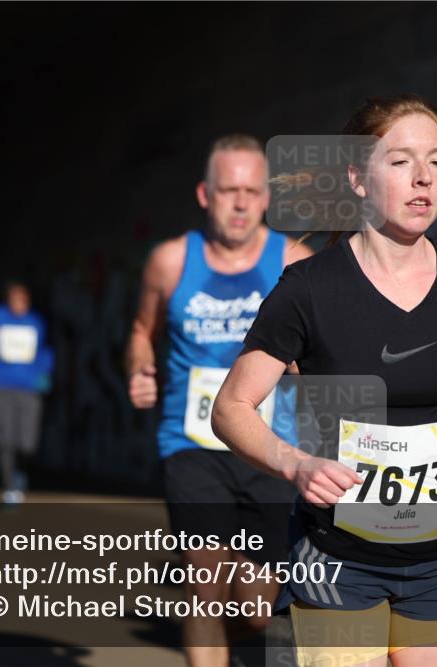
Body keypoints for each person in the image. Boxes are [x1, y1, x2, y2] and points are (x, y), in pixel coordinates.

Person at [212, 95, 437, 667]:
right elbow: (231, 406)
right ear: (357, 177)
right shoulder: (308, 288)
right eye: (401, 161)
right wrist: (295, 464)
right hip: (338, 559)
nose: (424, 177)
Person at [127, 134, 311, 667]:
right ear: (205, 195)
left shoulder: (295, 260)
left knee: (257, 606)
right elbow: (142, 330)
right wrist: (139, 366)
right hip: (192, 442)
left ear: (266, 198)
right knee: (204, 585)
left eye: (252, 191)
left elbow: (323, 345)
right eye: (228, 190)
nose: (240, 202)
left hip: (272, 448)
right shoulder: (169, 261)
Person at [0, 282, 54, 505]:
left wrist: (44, 372)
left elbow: (46, 349)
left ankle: (20, 472)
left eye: (23, 299)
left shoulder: (36, 321)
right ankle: (9, 487)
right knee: (4, 438)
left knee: (28, 442)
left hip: (29, 387)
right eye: (14, 298)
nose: (19, 304)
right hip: (0, 385)